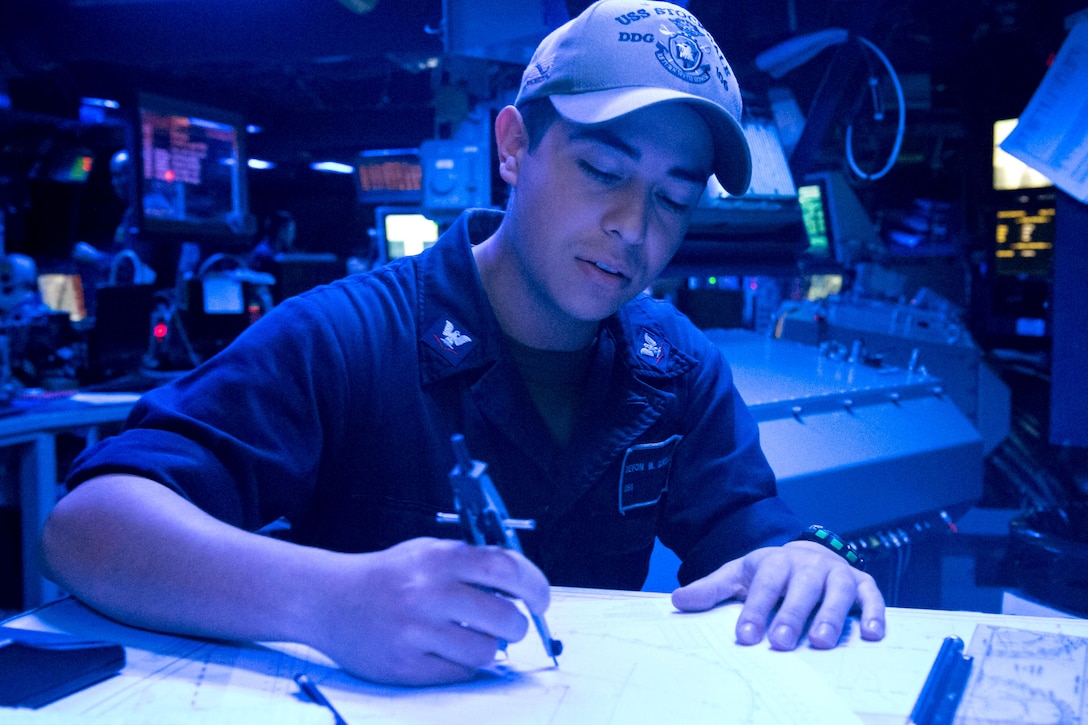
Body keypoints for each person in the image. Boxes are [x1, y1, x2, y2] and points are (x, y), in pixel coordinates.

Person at [40, 0, 885, 688]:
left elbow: (753, 531)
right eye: (601, 170)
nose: (633, 229)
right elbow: (88, 526)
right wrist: (324, 600)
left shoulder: (678, 370)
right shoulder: (346, 336)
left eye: (673, 198)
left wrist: (812, 560)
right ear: (514, 147)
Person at [247, 209, 297, 276]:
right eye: (291, 231)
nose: (294, 235)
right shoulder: (263, 253)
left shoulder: (281, 251)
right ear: (280, 231)